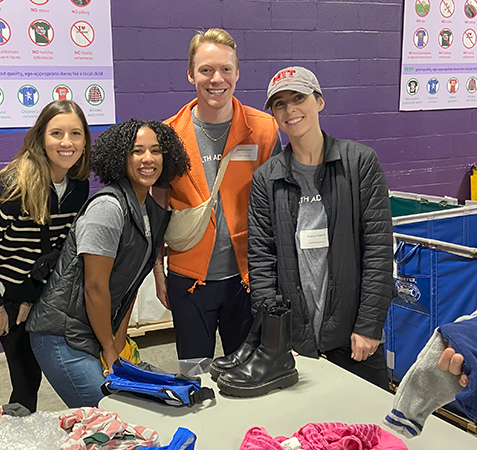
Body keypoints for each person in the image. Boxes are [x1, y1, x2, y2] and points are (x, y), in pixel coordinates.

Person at [245, 67, 395, 389]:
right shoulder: (265, 179)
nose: (290, 110)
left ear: (319, 102)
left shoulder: (360, 163)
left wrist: (369, 326)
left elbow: (379, 252)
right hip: (295, 344)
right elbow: (261, 262)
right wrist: (275, 338)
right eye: (280, 104)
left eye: (298, 98)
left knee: (371, 433)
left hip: (354, 339)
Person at [26, 119, 189, 408]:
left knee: (152, 403)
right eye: (137, 151)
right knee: (114, 413)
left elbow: (132, 285)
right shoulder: (108, 208)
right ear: (120, 157)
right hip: (62, 336)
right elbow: (95, 287)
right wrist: (109, 350)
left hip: (94, 332)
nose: (148, 159)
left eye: (156, 150)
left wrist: (119, 343)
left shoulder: (150, 211)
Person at [0, 100, 91, 412]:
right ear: (40, 137)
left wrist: (27, 297)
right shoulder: (12, 185)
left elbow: (53, 256)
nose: (67, 142)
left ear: (85, 141)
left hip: (19, 290)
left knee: (28, 380)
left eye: (76, 133)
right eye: (57, 133)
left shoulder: (78, 188)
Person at [152, 28, 281, 360]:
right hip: (189, 278)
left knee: (247, 375)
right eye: (206, 69)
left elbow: (281, 206)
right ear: (191, 73)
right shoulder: (168, 135)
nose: (216, 79)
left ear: (237, 73)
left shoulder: (265, 130)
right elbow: (157, 205)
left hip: (249, 277)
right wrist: (157, 268)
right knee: (195, 376)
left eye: (225, 69)